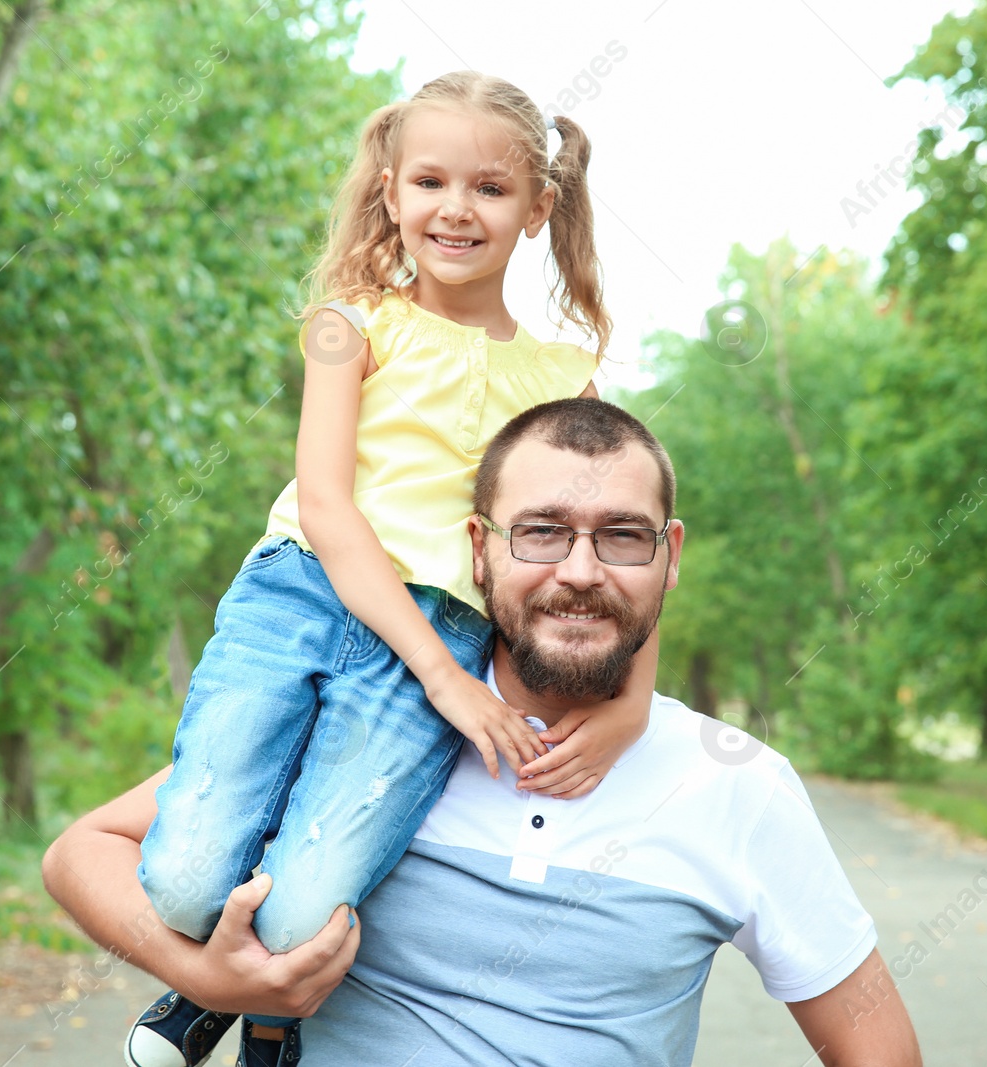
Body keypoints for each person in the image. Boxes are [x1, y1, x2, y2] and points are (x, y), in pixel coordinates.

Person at [44, 398, 923, 1067]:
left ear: (671, 555)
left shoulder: (738, 784)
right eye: (541, 532)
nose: (579, 572)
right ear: (478, 547)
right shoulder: (376, 732)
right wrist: (205, 980)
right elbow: (82, 849)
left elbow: (879, 1048)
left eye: (622, 537)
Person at [123, 73, 653, 1067]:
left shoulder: (562, 376)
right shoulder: (350, 322)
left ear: (537, 208)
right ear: (391, 190)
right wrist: (445, 680)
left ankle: (273, 1016)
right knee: (186, 877)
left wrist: (626, 705)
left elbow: (625, 531)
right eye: (430, 182)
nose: (456, 208)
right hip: (302, 592)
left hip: (448, 624)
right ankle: (204, 983)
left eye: (490, 189)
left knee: (306, 912)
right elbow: (327, 505)